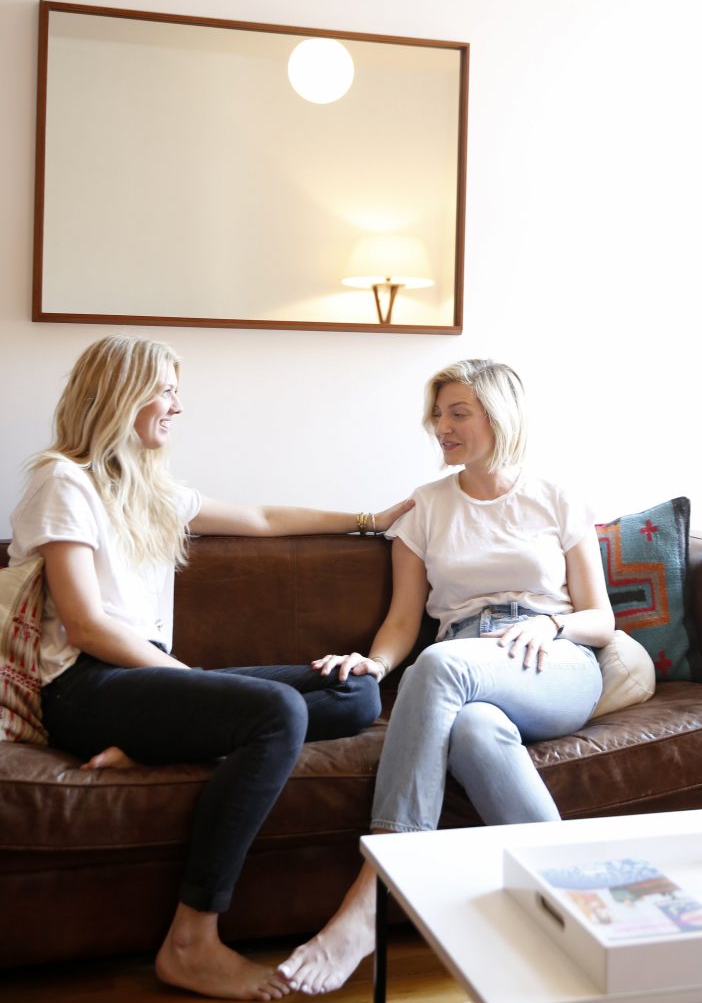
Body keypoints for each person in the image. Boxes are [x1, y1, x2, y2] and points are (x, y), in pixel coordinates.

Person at [7, 333, 413, 1003]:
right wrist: (191, 682)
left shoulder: (151, 487)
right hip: (83, 686)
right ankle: (191, 941)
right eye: (166, 389)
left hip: (145, 683)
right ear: (120, 394)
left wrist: (373, 517)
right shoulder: (64, 481)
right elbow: (86, 624)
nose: (178, 406)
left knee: (358, 690)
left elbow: (260, 516)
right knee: (276, 712)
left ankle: (148, 750)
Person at [277, 358, 615, 995]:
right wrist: (374, 665)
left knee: (441, 666)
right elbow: (405, 620)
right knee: (476, 732)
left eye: (458, 413)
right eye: (437, 414)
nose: (442, 427)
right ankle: (583, 904)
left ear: (498, 417)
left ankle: (375, 892)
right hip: (462, 664)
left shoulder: (557, 496)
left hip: (551, 660)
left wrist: (551, 626)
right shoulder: (426, 507)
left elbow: (600, 618)